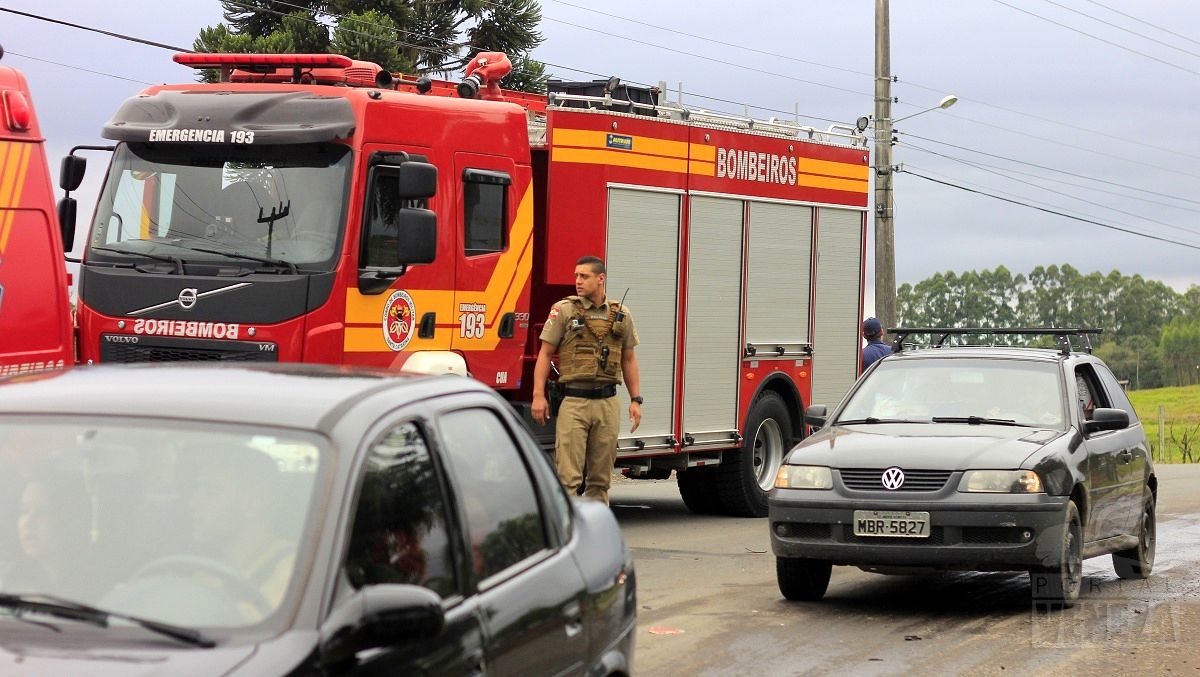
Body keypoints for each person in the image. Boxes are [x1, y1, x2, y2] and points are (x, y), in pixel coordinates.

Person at [532, 256, 642, 505]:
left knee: (601, 480)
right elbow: (545, 354)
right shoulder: (564, 310)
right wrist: (538, 395)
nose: (578, 281)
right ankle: (569, 526)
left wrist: (636, 400)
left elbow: (629, 360)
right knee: (568, 479)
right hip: (574, 401)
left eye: (584, 276)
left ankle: (597, 524)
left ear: (600, 279)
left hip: (607, 402)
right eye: (576, 276)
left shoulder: (621, 314)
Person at [188, 445, 295, 618]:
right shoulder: (206, 574)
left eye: (211, 492)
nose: (192, 502)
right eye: (196, 490)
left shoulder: (291, 573)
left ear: (251, 504)